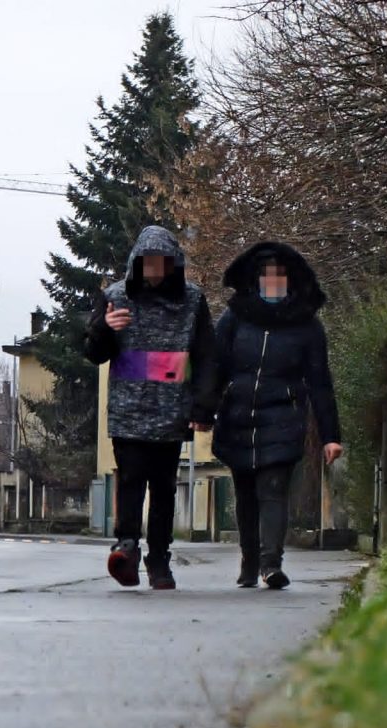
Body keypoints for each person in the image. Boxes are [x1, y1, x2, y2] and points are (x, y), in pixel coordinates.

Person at [84, 225, 217, 590]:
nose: (154, 269)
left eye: (162, 262)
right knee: (129, 481)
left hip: (172, 410)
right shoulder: (115, 297)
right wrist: (105, 328)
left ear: (173, 264)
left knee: (164, 488)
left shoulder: (192, 300)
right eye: (148, 262)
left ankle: (160, 559)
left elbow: (207, 356)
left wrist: (203, 408)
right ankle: (126, 548)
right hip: (128, 410)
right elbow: (94, 353)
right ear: (136, 263)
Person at [211, 241, 343, 589]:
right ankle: (249, 560)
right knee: (245, 494)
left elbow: (320, 383)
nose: (272, 281)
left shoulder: (307, 326)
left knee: (273, 489)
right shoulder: (234, 318)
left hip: (283, 417)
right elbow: (215, 367)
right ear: (255, 279)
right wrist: (200, 411)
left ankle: (271, 564)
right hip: (238, 418)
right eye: (266, 275)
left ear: (290, 279)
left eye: (279, 275)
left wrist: (331, 435)